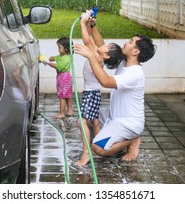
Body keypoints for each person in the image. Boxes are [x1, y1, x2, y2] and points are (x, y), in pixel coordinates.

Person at [74, 16, 156, 162]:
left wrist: (91, 56)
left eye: (131, 42)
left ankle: (132, 140)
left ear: (135, 52)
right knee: (84, 120)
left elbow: (106, 81)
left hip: (128, 123)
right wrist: (92, 25)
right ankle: (117, 137)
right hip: (112, 115)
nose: (126, 42)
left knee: (99, 148)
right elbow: (101, 45)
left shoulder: (135, 74)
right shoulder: (124, 61)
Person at [75, 10, 123, 166]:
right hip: (93, 93)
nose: (104, 44)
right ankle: (100, 146)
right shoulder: (100, 54)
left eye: (107, 46)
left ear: (107, 55)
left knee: (82, 121)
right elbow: (93, 38)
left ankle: (86, 153)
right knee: (94, 121)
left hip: (91, 93)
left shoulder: (96, 56)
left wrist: (82, 23)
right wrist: (90, 23)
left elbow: (87, 40)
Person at [44, 36, 74, 119]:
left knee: (62, 96)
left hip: (63, 78)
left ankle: (61, 113)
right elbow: (56, 57)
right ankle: (70, 110)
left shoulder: (65, 59)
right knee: (67, 95)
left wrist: (48, 63)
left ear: (66, 49)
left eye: (60, 47)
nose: (58, 49)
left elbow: (59, 67)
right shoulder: (64, 55)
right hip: (67, 77)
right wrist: (51, 58)